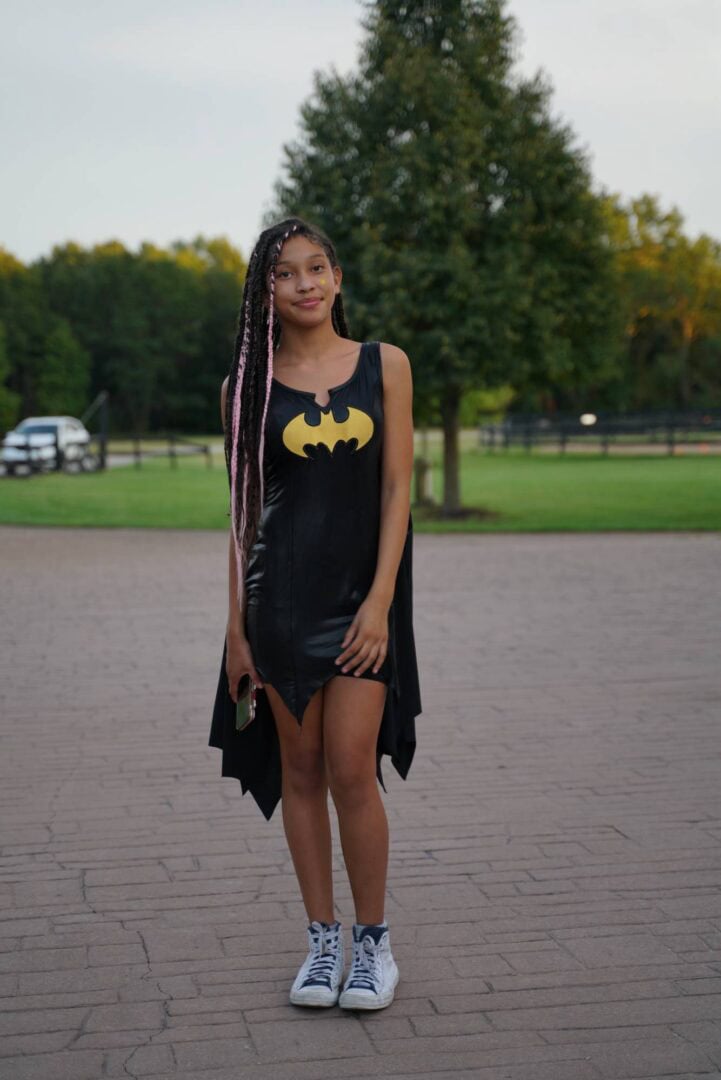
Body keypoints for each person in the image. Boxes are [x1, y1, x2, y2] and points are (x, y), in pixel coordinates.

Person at [209, 216, 422, 1011]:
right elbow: (238, 519)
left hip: (361, 606)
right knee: (299, 774)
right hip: (279, 609)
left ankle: (373, 947)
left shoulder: (384, 366)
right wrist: (235, 632)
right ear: (263, 293)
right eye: (284, 274)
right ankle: (321, 939)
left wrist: (380, 604)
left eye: (315, 268)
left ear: (337, 278)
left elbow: (398, 490)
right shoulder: (243, 390)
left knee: (349, 769)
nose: (303, 283)